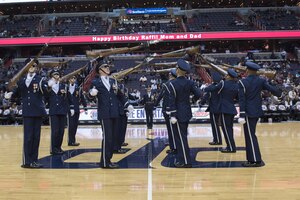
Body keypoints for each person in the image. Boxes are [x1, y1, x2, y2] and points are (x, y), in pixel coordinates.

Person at [238, 61, 282, 167]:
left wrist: (242, 114)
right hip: (256, 111)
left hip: (248, 112)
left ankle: (255, 160)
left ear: (247, 70)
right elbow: (273, 90)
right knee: (250, 135)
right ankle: (251, 159)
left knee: (250, 136)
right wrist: (279, 92)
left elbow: (242, 100)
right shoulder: (261, 81)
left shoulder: (242, 82)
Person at [5, 59, 47, 168]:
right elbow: (16, 94)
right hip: (27, 112)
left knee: (36, 137)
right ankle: (27, 161)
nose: (32, 67)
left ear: (37, 68)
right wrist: (9, 95)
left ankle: (34, 160)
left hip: (37, 112)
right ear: (26, 67)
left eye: (34, 65)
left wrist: (50, 85)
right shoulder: (21, 81)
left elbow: (46, 92)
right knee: (28, 137)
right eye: (30, 65)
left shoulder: (41, 80)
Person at [168, 59, 202, 168]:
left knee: (180, 138)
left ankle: (185, 161)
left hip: (177, 114)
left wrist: (172, 115)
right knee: (183, 136)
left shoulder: (172, 84)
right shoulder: (190, 82)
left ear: (177, 70)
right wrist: (192, 100)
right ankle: (183, 159)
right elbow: (199, 94)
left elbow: (171, 101)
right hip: (186, 112)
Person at [89, 63, 120, 169]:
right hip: (105, 113)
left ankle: (108, 159)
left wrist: (127, 104)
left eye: (108, 67)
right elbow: (90, 95)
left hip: (114, 112)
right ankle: (105, 162)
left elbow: (119, 94)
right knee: (107, 137)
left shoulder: (113, 81)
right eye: (105, 67)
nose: (108, 68)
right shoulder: (95, 82)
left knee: (113, 137)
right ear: (100, 70)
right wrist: (91, 94)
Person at [204, 69, 239, 153]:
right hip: (232, 108)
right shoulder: (236, 85)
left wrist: (207, 87)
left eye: (227, 75)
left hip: (224, 108)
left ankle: (230, 147)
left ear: (229, 76)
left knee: (226, 129)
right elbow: (237, 98)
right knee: (229, 129)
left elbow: (212, 89)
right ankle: (231, 146)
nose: (225, 76)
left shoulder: (223, 83)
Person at [47, 69, 73, 155]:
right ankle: (53, 149)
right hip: (53, 111)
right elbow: (45, 97)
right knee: (55, 131)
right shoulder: (48, 86)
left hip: (62, 111)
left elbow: (69, 98)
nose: (56, 76)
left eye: (57, 74)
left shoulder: (64, 86)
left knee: (61, 131)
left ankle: (58, 147)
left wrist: (71, 107)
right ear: (51, 77)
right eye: (54, 75)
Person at [155, 68, 177, 154]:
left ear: (170, 75)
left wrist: (155, 104)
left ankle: (173, 147)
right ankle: (176, 145)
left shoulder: (167, 84)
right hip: (177, 109)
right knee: (176, 129)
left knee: (170, 129)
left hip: (168, 109)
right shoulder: (177, 83)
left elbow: (160, 96)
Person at [199, 71, 223, 145]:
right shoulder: (221, 86)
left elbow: (206, 96)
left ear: (212, 79)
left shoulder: (210, 88)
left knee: (214, 125)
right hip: (221, 107)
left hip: (213, 108)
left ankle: (217, 140)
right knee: (219, 124)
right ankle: (218, 139)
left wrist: (201, 103)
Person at [67, 75, 87, 146]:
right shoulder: (66, 87)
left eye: (74, 78)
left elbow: (82, 98)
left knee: (75, 126)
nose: (73, 79)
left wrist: (85, 106)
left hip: (76, 109)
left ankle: (73, 140)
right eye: (71, 78)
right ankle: (70, 141)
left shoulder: (78, 88)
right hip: (69, 110)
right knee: (71, 126)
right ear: (69, 80)